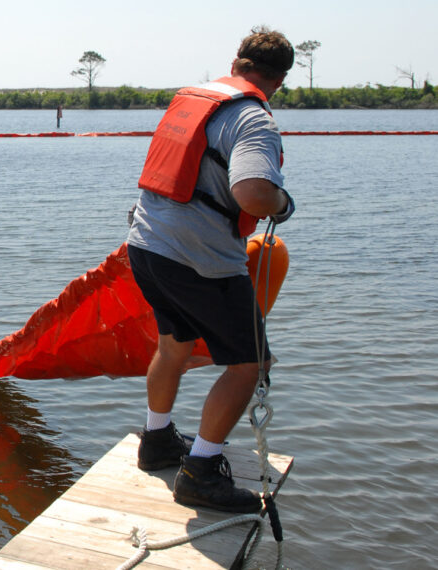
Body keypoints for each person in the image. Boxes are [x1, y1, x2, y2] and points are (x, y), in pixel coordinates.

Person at [126, 26, 295, 513]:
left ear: (237, 62)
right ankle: (201, 472)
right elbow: (253, 193)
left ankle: (157, 440)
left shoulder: (193, 101)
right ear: (278, 80)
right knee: (250, 363)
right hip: (199, 259)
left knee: (174, 343)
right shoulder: (253, 119)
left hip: (146, 245)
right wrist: (282, 206)